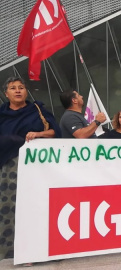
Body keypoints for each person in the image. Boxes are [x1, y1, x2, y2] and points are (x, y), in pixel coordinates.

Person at [0, 77, 61, 261]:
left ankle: (42, 248)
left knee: (40, 205)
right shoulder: (1, 115)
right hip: (10, 167)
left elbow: (54, 132)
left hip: (38, 166)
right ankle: (11, 251)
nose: (18, 91)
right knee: (11, 207)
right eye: (13, 88)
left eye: (21, 87)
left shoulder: (37, 111)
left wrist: (38, 134)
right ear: (6, 93)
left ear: (26, 91)